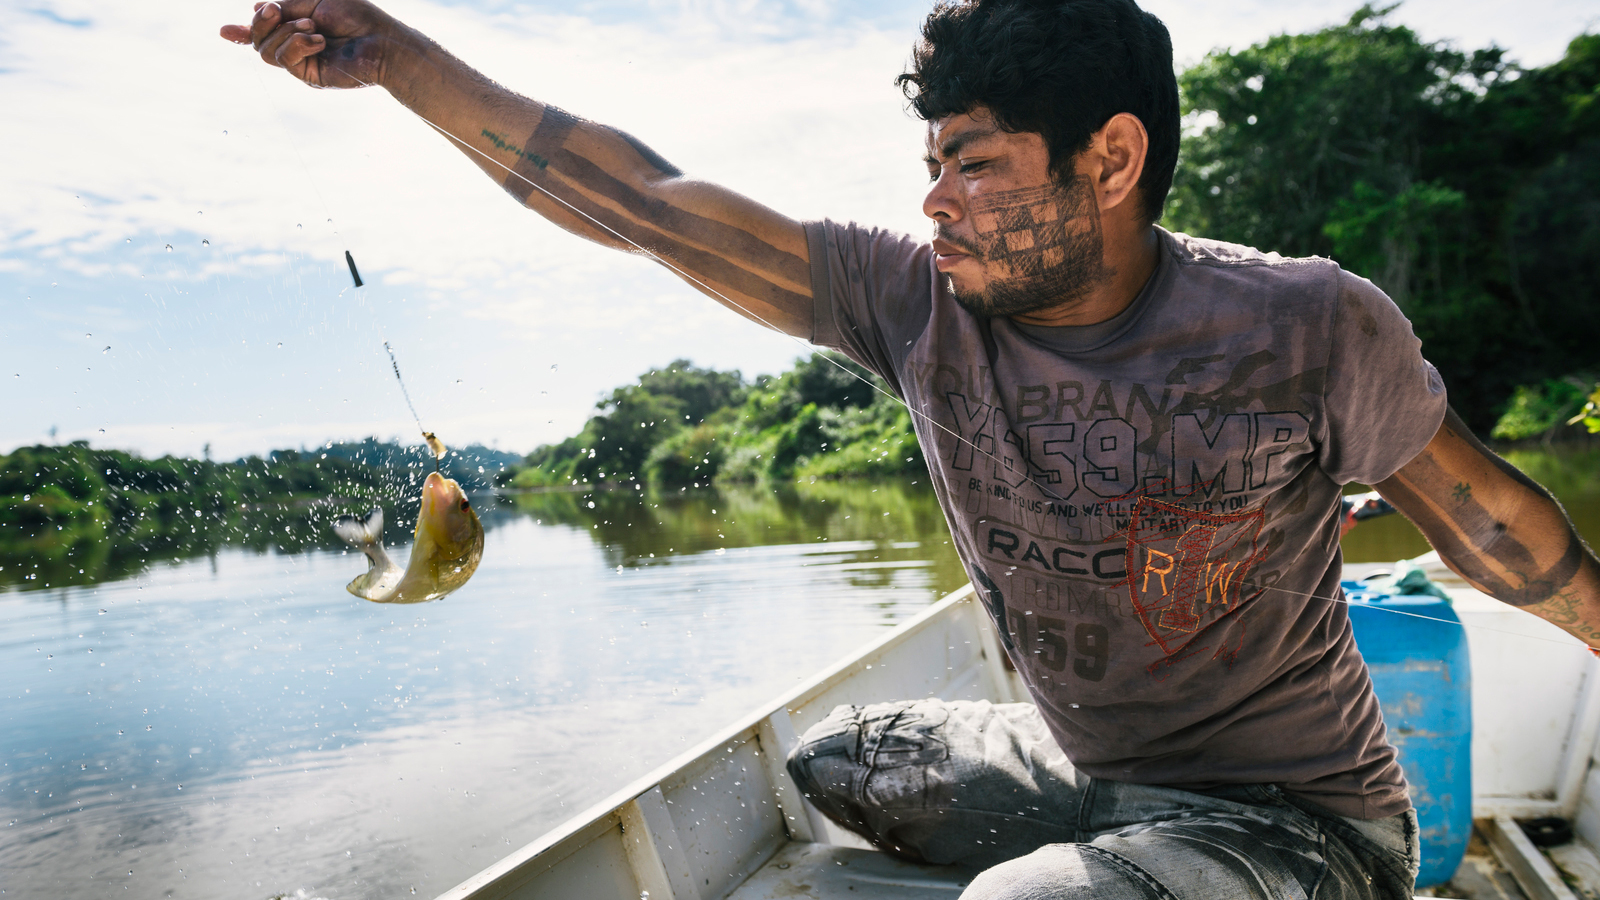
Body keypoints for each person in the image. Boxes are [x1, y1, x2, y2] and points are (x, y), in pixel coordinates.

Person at [222, 1, 1600, 896]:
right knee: (834, 767)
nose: (932, 200)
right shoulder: (913, 302)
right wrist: (397, 57)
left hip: (1305, 823)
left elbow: (1496, 531)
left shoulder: (1302, 324)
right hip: (1092, 769)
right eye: (930, 162)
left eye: (975, 163)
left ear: (1109, 162)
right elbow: (643, 201)